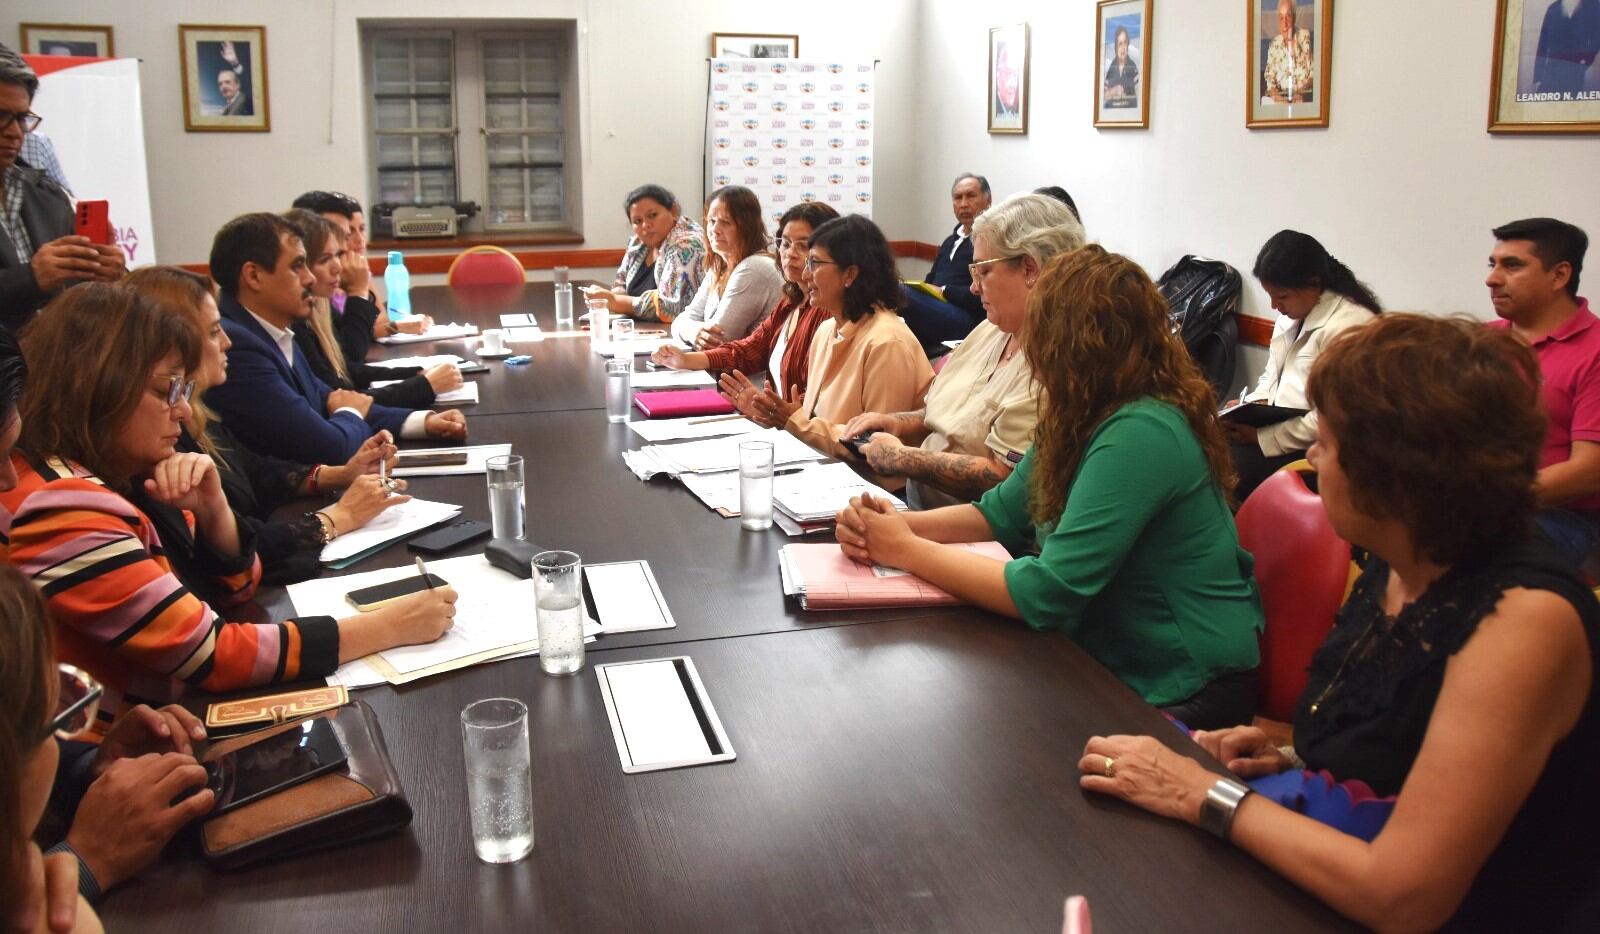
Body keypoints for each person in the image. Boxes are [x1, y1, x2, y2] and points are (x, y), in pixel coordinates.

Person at [1077, 315, 1599, 930]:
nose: (1311, 459)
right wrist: (1289, 758)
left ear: (1393, 475)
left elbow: (1405, 896)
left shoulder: (1522, 620)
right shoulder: (1404, 557)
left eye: (1324, 443)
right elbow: (1409, 752)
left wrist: (1201, 793)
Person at [0, 283, 459, 733]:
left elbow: (231, 595)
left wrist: (214, 513)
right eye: (166, 392)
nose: (182, 413)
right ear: (98, 388)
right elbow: (213, 654)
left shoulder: (101, 475)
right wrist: (388, 626)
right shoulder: (58, 506)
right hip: (106, 760)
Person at [836, 246, 1262, 729]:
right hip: (1111, 657)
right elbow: (1000, 513)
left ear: (1079, 343)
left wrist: (906, 548)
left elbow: (1047, 592)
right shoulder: (1082, 410)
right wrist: (892, 526)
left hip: (1184, 683)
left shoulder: (1141, 430)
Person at [124, 265, 408, 586]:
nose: (228, 342)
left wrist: (338, 475)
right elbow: (222, 557)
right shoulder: (152, 433)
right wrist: (339, 517)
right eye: (215, 331)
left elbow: (252, 469)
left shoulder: (193, 411)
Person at [843, 193, 1084, 509]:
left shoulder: (1057, 358)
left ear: (1029, 269)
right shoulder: (991, 328)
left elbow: (1005, 479)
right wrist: (897, 423)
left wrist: (904, 458)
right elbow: (949, 416)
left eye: (983, 271)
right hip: (923, 507)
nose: (973, 288)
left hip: (983, 536)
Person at [203, 212, 467, 465]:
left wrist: (422, 422)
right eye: (297, 266)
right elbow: (329, 447)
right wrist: (350, 411)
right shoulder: (237, 346)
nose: (309, 278)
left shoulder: (273, 329)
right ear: (254, 276)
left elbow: (328, 399)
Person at [723, 214, 932, 486]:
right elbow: (814, 423)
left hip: (874, 493)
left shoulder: (887, 342)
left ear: (850, 274)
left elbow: (874, 449)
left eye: (815, 262)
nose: (806, 274)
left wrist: (793, 420)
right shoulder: (826, 330)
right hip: (824, 476)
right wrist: (773, 414)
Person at [1227, 230, 1380, 502]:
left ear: (1313, 284)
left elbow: (1332, 417)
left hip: (1320, 448)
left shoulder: (1350, 326)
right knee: (1206, 446)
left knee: (1224, 469)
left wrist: (1263, 437)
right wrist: (1244, 406)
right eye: (1270, 296)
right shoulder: (1292, 316)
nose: (1274, 306)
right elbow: (1270, 379)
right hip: (1281, 433)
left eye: (1282, 296)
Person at [1485, 217, 1599, 565]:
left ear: (1559, 275)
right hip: (1479, 504)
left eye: (1512, 265)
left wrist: (1485, 499)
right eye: (1493, 264)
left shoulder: (1595, 351)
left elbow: (1590, 471)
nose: (1492, 279)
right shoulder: (1479, 341)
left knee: (1468, 556)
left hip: (1566, 517)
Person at [651, 201, 839, 404]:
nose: (790, 253)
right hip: (778, 421)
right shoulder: (791, 301)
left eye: (803, 246)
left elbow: (820, 396)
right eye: (785, 244)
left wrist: (769, 410)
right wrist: (685, 360)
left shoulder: (827, 311)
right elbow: (749, 349)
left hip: (794, 428)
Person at [0, 44, 123, 328]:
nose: (14, 132)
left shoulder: (47, 193)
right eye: (1, 116)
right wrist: (31, 279)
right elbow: (36, 280)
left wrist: (107, 273)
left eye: (21, 118)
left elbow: (80, 296)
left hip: (57, 365)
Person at [285, 209, 457, 410]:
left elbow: (346, 368)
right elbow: (338, 393)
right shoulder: (297, 324)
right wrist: (423, 385)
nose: (339, 266)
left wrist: (417, 373)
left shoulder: (320, 306)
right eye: (326, 259)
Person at [290, 190, 432, 343]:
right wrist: (394, 326)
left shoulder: (351, 271)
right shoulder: (312, 291)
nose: (359, 240)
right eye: (347, 233)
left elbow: (379, 318)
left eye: (362, 229)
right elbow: (349, 347)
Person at [668, 186, 783, 349]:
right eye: (711, 221)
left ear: (747, 227)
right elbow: (683, 319)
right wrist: (694, 331)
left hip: (747, 374)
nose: (715, 230)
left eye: (725, 222)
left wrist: (691, 330)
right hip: (719, 369)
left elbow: (718, 339)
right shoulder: (719, 265)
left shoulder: (754, 268)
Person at [900, 174, 990, 356]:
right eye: (958, 198)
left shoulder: (989, 241)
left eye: (970, 195)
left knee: (897, 293)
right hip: (938, 310)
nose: (964, 203)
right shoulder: (950, 241)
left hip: (967, 319)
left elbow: (984, 293)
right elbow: (930, 279)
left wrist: (944, 290)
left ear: (988, 200)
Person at [590, 184, 708, 324]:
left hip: (681, 336)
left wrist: (615, 301)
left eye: (652, 215)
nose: (645, 225)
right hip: (640, 331)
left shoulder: (688, 245)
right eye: (637, 221)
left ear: (674, 211)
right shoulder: (638, 243)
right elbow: (620, 283)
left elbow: (674, 308)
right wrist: (608, 298)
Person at [1535, 0, 1600, 95]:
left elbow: (1597, 38)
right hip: (1551, 72)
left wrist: (1585, 61)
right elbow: (1542, 44)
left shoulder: (1594, 6)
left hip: (1575, 71)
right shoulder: (1553, 8)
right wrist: (1538, 77)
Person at [1263, 0, 1314, 103]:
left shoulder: (1304, 37)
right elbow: (1270, 81)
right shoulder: (1274, 45)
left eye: (1288, 16)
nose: (1284, 24)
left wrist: (1302, 93)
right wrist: (1277, 97)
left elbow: (1314, 73)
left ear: (1294, 17)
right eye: (1281, 18)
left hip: (1303, 99)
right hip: (1281, 101)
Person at [1103, 26, 1139, 106]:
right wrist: (1113, 91)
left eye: (1125, 43)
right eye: (1120, 44)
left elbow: (1140, 93)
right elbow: (1103, 95)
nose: (1123, 48)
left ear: (1128, 44)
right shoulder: (1112, 66)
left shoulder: (1132, 67)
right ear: (1115, 47)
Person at [216, 41, 252, 117]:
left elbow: (248, 85)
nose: (223, 86)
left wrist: (235, 63)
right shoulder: (226, 109)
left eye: (227, 82)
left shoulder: (245, 101)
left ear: (238, 84)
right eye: (220, 84)